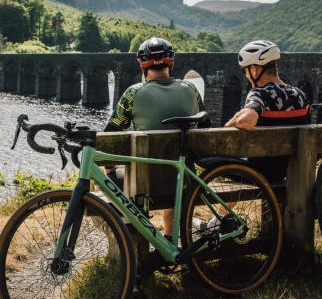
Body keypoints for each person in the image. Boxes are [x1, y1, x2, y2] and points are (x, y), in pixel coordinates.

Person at [103, 36, 211, 239]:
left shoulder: (133, 93)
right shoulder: (191, 89)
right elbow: (207, 128)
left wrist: (110, 168)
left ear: (142, 64)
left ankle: (129, 239)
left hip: (146, 186)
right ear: (171, 62)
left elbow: (109, 138)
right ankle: (170, 236)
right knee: (173, 169)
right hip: (185, 181)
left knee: (107, 178)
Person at [225, 39, 310, 184]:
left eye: (244, 70)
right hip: (290, 172)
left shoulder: (260, 93)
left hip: (260, 173)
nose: (246, 75)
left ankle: (224, 208)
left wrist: (228, 126)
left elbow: (245, 121)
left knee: (217, 162)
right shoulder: (300, 95)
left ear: (253, 69)